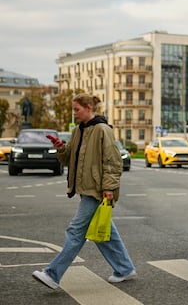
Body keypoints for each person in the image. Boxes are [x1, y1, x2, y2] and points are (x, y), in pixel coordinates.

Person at [33, 94, 136, 290]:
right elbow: (70, 159)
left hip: (96, 190)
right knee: (103, 232)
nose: (74, 114)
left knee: (76, 231)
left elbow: (112, 162)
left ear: (88, 107)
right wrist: (61, 149)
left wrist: (108, 188)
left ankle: (52, 274)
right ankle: (125, 268)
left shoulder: (102, 129)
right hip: (85, 188)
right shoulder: (78, 130)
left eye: (77, 109)